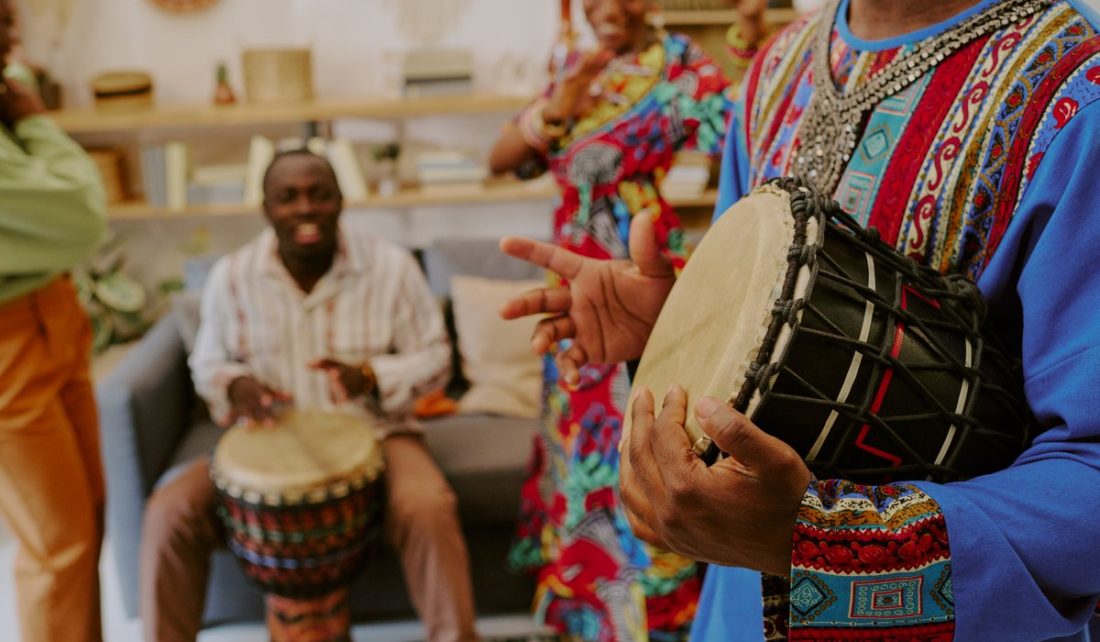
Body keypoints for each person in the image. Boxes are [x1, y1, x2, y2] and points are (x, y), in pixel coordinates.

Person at [498, 0, 1100, 639]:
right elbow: (757, 330)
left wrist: (823, 544)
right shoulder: (775, 71)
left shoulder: (1073, 90)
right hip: (735, 614)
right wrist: (680, 327)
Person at [139, 150, 478, 642]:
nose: (305, 209)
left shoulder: (391, 267)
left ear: (341, 201)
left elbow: (436, 360)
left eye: (319, 195)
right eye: (288, 197)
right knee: (167, 513)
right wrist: (235, 384)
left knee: (428, 507)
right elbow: (207, 365)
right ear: (266, 207)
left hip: (377, 434)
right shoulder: (232, 278)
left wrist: (370, 376)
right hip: (266, 440)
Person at [487, 0, 731, 638]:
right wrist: (561, 99)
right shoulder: (572, 64)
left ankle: (653, 610)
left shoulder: (682, 67)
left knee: (639, 428)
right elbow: (503, 156)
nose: (608, 7)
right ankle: (587, 600)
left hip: (635, 277)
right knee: (579, 440)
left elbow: (741, 144)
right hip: (569, 284)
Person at [0, 0, 109, 640]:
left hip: (53, 314)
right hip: (11, 338)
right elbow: (80, 214)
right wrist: (36, 121)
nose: (14, 36)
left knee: (87, 517)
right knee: (57, 544)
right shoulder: (19, 111)